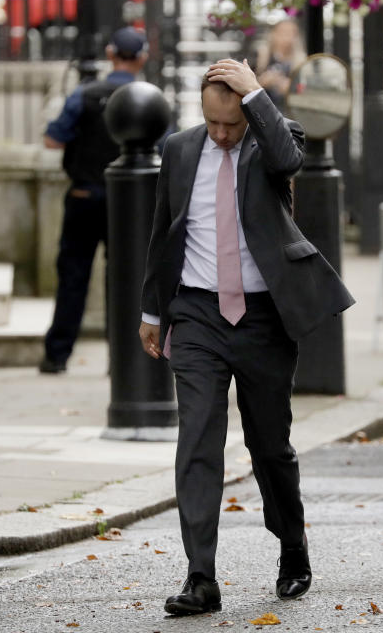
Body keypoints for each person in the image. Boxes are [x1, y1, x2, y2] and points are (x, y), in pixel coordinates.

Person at [138, 59, 355, 615]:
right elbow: (164, 231)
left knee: (270, 447)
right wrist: (153, 312)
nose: (221, 134)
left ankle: (292, 546)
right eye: (212, 123)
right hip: (197, 315)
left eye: (231, 124)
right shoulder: (181, 150)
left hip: (262, 319)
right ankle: (201, 577)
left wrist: (258, 95)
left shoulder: (270, 143)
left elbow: (290, 159)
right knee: (198, 443)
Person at [39, 27, 148, 374]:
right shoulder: (148, 99)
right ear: (142, 58)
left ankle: (57, 356)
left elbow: (52, 141)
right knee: (125, 280)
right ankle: (122, 359)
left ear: (110, 52)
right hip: (128, 203)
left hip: (84, 193)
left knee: (73, 276)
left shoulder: (84, 95)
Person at [253, 19, 306, 111]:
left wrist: (291, 89)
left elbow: (305, 91)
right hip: (264, 112)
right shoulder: (263, 55)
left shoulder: (301, 59)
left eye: (291, 33)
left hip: (289, 112)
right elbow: (249, 85)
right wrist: (262, 82)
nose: (286, 37)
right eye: (282, 32)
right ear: (273, 34)